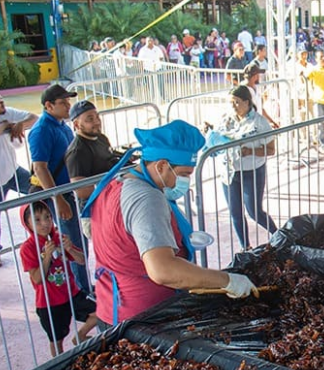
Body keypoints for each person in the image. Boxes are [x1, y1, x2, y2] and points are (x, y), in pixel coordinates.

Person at [81, 120, 257, 327]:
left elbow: (115, 235)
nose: (183, 182)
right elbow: (163, 270)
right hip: (141, 318)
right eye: (183, 175)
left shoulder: (116, 182)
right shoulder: (146, 198)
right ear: (162, 165)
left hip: (110, 307)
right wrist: (227, 281)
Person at [28, 85, 90, 295]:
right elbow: (40, 167)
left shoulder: (61, 125)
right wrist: (58, 199)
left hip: (69, 190)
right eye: (63, 103)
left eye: (68, 102)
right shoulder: (41, 130)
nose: (68, 106)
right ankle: (81, 290)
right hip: (60, 193)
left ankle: (83, 285)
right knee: (71, 239)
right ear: (49, 105)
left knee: (77, 238)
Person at [20, 201, 97, 356]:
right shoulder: (28, 248)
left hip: (71, 293)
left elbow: (81, 260)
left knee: (100, 311)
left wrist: (69, 249)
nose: (45, 223)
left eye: (47, 217)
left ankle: (80, 336)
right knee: (57, 340)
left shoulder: (59, 237)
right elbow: (37, 279)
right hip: (49, 302)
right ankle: (59, 367)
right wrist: (47, 257)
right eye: (37, 220)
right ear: (27, 223)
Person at [204, 86, 278, 247]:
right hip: (229, 172)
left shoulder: (259, 123)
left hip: (252, 171)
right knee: (235, 213)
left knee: (254, 211)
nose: (233, 106)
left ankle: (279, 235)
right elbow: (218, 138)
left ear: (247, 102)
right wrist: (210, 134)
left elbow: (271, 150)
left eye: (237, 102)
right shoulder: (226, 119)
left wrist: (249, 151)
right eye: (231, 102)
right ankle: (246, 247)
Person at [0, 86, 37, 268]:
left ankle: (51, 230)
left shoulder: (7, 112)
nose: (2, 103)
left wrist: (20, 124)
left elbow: (34, 118)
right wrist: (8, 125)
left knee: (39, 191)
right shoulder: (0, 120)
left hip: (13, 171)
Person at [64, 101, 124, 239]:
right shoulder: (77, 152)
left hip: (112, 204)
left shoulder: (101, 138)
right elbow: (81, 190)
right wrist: (112, 183)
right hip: (95, 212)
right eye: (90, 119)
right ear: (77, 125)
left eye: (97, 117)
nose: (97, 122)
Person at [243, 64, 279, 129]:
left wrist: (271, 121)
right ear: (255, 76)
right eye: (258, 74)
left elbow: (260, 109)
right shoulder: (243, 90)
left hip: (257, 123)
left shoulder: (257, 87)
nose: (259, 76)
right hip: (250, 126)